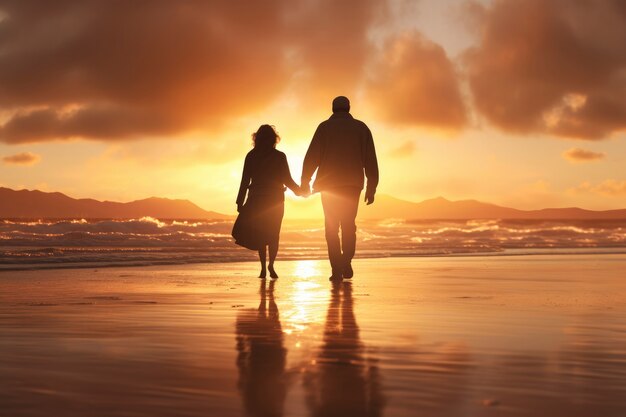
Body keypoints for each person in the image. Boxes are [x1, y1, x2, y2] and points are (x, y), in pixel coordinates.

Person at [301, 96, 379, 281]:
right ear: (349, 108)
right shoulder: (361, 128)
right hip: (352, 185)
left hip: (329, 186)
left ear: (333, 109)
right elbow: (370, 160)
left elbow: (312, 155)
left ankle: (336, 268)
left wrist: (305, 180)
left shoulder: (324, 128)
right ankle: (346, 261)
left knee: (331, 227)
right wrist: (372, 187)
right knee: (348, 225)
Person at [233, 124, 301, 279]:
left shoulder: (251, 156)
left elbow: (244, 180)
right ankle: (271, 265)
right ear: (273, 139)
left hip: (256, 200)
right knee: (274, 234)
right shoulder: (279, 156)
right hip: (275, 201)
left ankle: (263, 267)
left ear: (257, 138)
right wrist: (299, 191)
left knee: (261, 234)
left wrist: (239, 202)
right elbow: (287, 179)